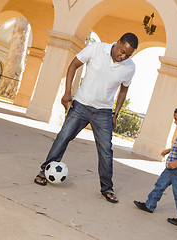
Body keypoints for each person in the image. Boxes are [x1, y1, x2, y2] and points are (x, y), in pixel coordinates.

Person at [34, 32, 139, 204]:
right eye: (121, 51)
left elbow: (124, 90)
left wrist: (116, 113)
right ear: (118, 41)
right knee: (63, 137)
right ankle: (45, 171)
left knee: (106, 150)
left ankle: (107, 187)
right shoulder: (96, 48)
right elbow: (73, 65)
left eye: (127, 55)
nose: (123, 56)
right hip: (81, 105)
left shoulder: (130, 67)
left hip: (104, 112)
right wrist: (67, 92)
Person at [134, 104, 177, 227]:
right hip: (171, 167)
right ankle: (149, 205)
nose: (175, 122)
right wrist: (168, 150)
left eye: (176, 119)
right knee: (159, 185)